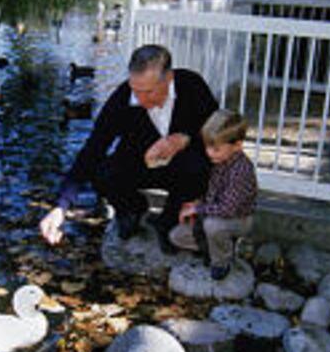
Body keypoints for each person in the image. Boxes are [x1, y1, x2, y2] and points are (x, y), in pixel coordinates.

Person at [39, 44, 218, 252]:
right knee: (101, 172)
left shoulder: (192, 85)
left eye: (148, 92)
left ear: (169, 79)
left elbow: (219, 131)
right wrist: (61, 207)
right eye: (136, 90)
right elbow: (92, 150)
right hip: (138, 165)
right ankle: (132, 209)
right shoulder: (122, 98)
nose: (140, 100)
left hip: (182, 170)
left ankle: (168, 220)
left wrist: (185, 139)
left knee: (202, 164)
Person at [169, 109, 257, 280]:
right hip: (215, 215)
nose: (209, 153)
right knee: (177, 236)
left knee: (212, 226)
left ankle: (222, 261)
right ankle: (219, 246)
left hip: (239, 218)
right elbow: (213, 194)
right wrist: (197, 204)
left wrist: (198, 209)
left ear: (237, 145)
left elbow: (227, 209)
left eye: (215, 149)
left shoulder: (241, 170)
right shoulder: (219, 160)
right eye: (207, 147)